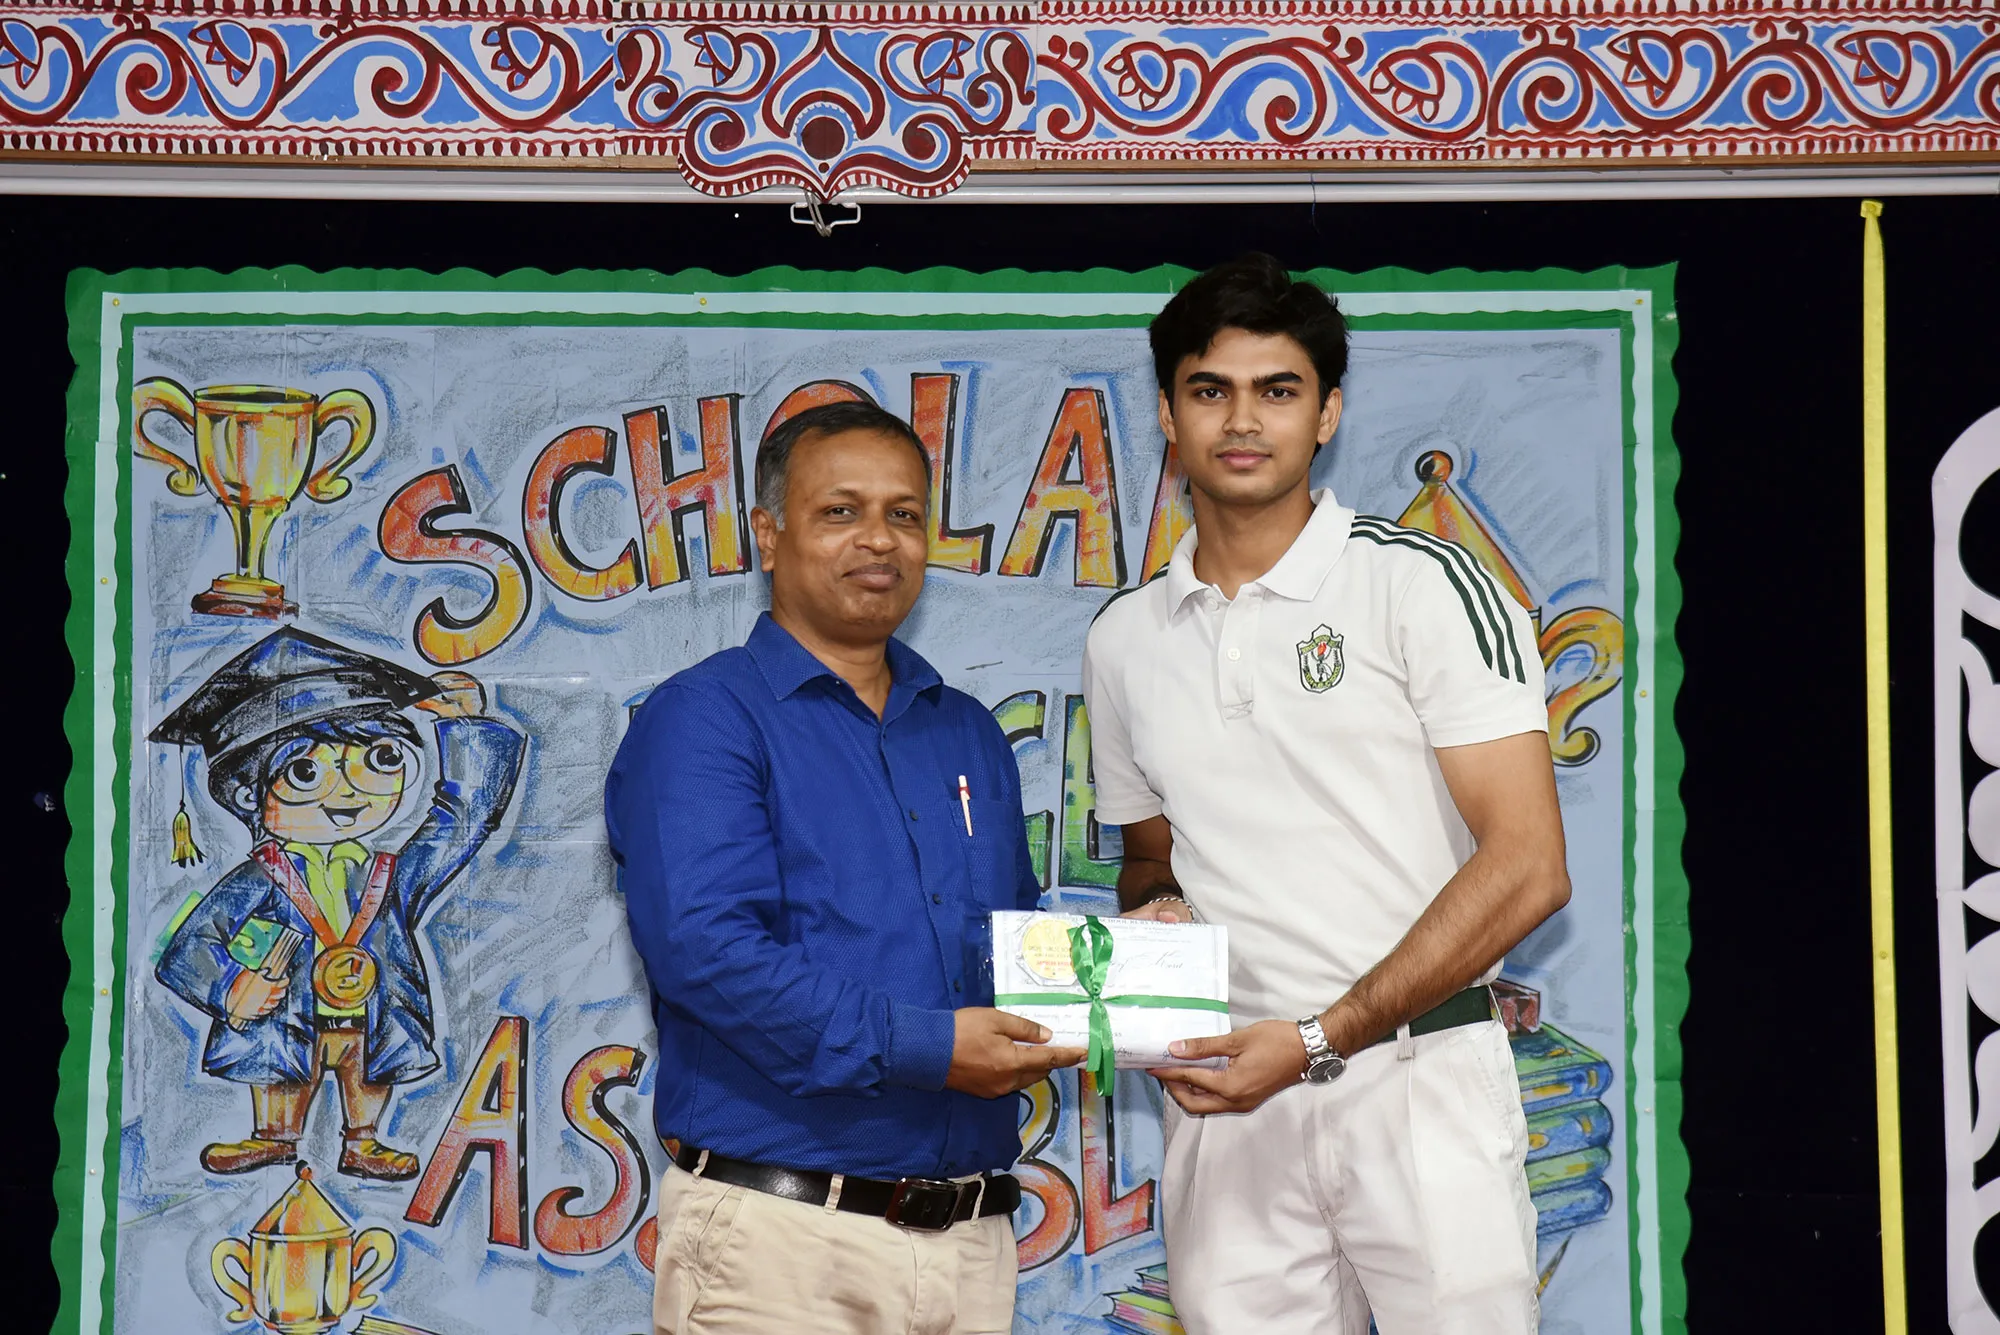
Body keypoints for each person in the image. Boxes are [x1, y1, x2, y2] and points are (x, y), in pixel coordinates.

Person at [1080, 254, 1571, 1334]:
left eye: (1277, 389)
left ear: (1328, 413)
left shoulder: (1420, 583)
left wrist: (1317, 1036)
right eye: (1209, 390)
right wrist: (1153, 917)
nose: (1241, 420)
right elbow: (1149, 857)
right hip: (1228, 1098)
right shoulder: (1123, 638)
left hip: (1417, 1076)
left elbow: (1530, 868)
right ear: (1166, 413)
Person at [605, 400, 1085, 1335]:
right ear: (768, 533)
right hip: (780, 1242)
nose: (879, 539)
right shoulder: (705, 719)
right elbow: (708, 952)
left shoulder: (966, 730)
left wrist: (1126, 976)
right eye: (841, 511)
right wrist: (931, 1047)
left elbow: (1010, 949)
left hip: (972, 1243)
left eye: (904, 514)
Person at [153, 627, 525, 1180]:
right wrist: (231, 988)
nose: (349, 791)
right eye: (307, 772)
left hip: (369, 1013)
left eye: (379, 759)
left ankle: (364, 1138)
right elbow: (188, 946)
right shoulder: (259, 878)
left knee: (368, 1061)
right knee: (280, 1055)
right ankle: (274, 1136)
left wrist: (467, 729)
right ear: (251, 794)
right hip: (286, 1015)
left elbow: (459, 827)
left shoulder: (389, 876)